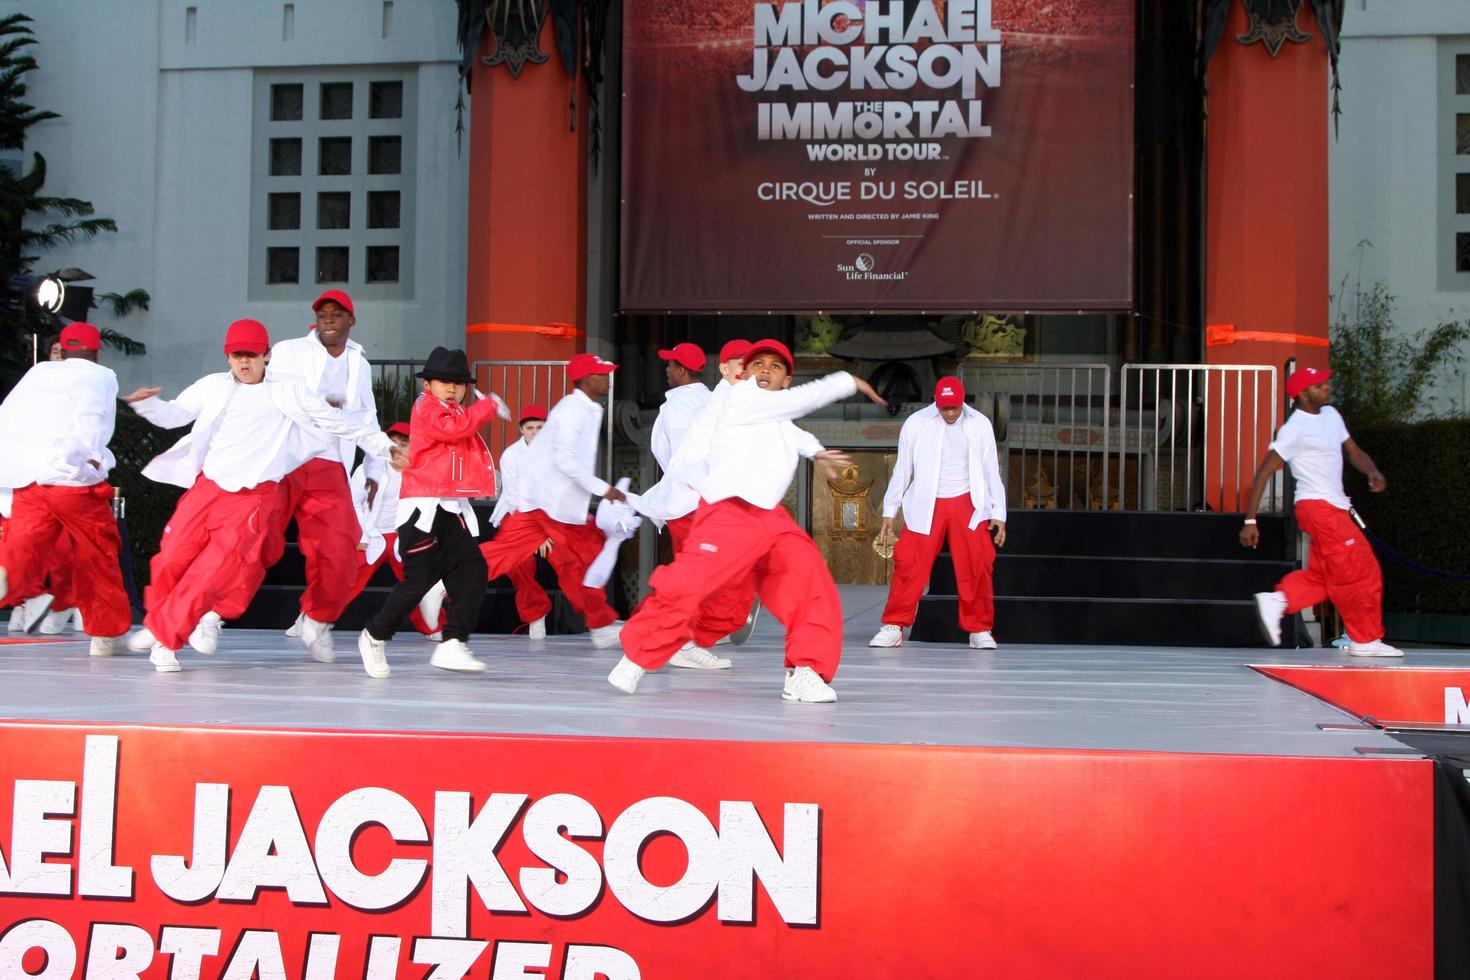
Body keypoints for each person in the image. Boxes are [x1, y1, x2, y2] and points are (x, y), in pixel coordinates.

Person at [609, 339, 887, 703]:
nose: (766, 370)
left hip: (769, 515)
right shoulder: (738, 397)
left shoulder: (773, 414)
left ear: (786, 378)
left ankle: (805, 671)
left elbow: (791, 430)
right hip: (729, 511)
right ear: (743, 373)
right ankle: (637, 656)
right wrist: (847, 382)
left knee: (810, 583)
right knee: (690, 584)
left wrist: (816, 450)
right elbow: (795, 403)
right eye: (759, 365)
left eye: (775, 366)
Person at [123, 319, 402, 672]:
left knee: (210, 572)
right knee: (170, 559)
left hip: (252, 499)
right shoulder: (213, 386)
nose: (244, 363)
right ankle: (161, 620)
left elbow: (335, 421)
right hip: (208, 489)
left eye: (251, 356)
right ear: (228, 357)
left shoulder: (287, 389)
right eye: (238, 356)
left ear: (266, 356)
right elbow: (176, 413)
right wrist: (149, 405)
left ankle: (167, 638)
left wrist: (382, 445)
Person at [216, 289, 382, 663]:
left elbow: (365, 415)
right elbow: (250, 382)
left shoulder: (360, 363)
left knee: (341, 552)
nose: (328, 319)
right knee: (253, 540)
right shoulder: (290, 351)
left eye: (336, 314)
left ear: (350, 321)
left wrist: (377, 459)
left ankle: (318, 619)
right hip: (283, 460)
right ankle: (211, 612)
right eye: (322, 314)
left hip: (329, 462)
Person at [357, 347, 498, 678]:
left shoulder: (455, 413)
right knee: (418, 583)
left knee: (474, 571)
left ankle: (452, 643)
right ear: (428, 385)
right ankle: (374, 636)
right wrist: (486, 407)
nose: (452, 388)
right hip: (422, 510)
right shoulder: (427, 408)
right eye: (444, 382)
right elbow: (452, 430)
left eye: (459, 383)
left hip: (449, 509)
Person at [1242, 366, 1399, 656]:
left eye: (1325, 383)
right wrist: (1250, 520)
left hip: (1332, 508)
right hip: (1319, 508)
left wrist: (1372, 471)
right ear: (1302, 394)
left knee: (1326, 576)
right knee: (1361, 570)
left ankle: (1278, 600)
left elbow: (1354, 452)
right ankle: (1364, 641)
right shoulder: (1295, 429)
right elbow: (1265, 471)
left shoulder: (1331, 415)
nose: (1326, 388)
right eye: (1318, 386)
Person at [479, 353, 627, 649]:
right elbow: (564, 460)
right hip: (550, 507)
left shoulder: (580, 408)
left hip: (545, 506)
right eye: (602, 374)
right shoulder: (574, 410)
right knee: (584, 554)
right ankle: (597, 624)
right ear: (587, 380)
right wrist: (603, 489)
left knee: (503, 554)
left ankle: (442, 585)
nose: (607, 379)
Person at [0, 323, 131, 656]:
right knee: (97, 555)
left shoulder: (39, 373)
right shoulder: (99, 376)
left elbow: (8, 416)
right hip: (71, 483)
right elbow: (92, 418)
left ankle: (6, 571)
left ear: (63, 349)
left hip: (27, 480)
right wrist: (86, 460)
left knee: (21, 551)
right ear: (96, 351)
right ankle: (106, 635)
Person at [869, 376, 1008, 650]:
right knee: (909, 562)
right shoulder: (917, 423)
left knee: (977, 563)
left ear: (962, 401)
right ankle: (894, 624)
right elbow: (903, 468)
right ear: (936, 402)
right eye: (945, 408)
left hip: (968, 502)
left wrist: (998, 512)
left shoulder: (979, 423)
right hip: (925, 501)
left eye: (955, 407)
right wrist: (890, 510)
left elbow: (992, 470)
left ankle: (979, 628)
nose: (950, 413)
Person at [342, 422, 446, 640]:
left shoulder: (420, 473)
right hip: (371, 536)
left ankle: (433, 627)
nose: (398, 449)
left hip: (404, 538)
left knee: (415, 584)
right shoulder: (369, 469)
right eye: (393, 443)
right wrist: (361, 534)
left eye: (404, 444)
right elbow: (354, 503)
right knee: (346, 581)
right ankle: (315, 618)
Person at [489, 405, 555, 638]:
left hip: (552, 517)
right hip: (518, 514)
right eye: (530, 428)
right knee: (518, 562)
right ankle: (536, 612)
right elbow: (515, 496)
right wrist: (535, 535)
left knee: (574, 556)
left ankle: (597, 620)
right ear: (521, 430)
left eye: (540, 427)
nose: (535, 432)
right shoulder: (511, 455)